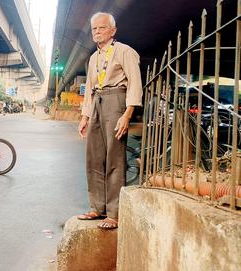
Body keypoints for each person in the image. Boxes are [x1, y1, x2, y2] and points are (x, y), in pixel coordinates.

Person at [77, 12, 142, 229]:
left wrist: (127, 114)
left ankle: (113, 213)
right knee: (94, 157)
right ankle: (97, 207)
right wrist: (85, 116)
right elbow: (89, 91)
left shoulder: (125, 51)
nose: (97, 32)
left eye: (101, 28)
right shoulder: (93, 58)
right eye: (94, 29)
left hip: (117, 100)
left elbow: (135, 83)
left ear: (112, 30)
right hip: (97, 101)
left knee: (114, 157)